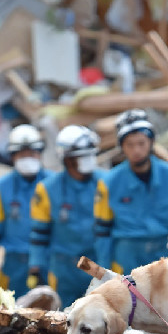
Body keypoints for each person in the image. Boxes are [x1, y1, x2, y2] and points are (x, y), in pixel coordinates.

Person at [94, 109, 168, 274]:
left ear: (151, 142)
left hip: (163, 256)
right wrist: (104, 273)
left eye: (141, 143)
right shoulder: (109, 183)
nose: (136, 150)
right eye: (129, 145)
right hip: (126, 258)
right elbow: (102, 233)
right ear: (122, 147)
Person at [29, 125, 103, 308]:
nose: (89, 160)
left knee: (100, 315)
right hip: (64, 268)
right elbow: (39, 233)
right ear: (68, 159)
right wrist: (36, 266)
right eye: (83, 156)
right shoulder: (47, 189)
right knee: (64, 319)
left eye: (91, 154)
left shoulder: (106, 182)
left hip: (97, 263)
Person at [0, 124, 49, 298]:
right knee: (10, 315)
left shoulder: (54, 184)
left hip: (49, 262)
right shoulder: (0, 187)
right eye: (22, 154)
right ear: (13, 156)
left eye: (32, 153)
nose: (28, 158)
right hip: (14, 265)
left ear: (40, 154)